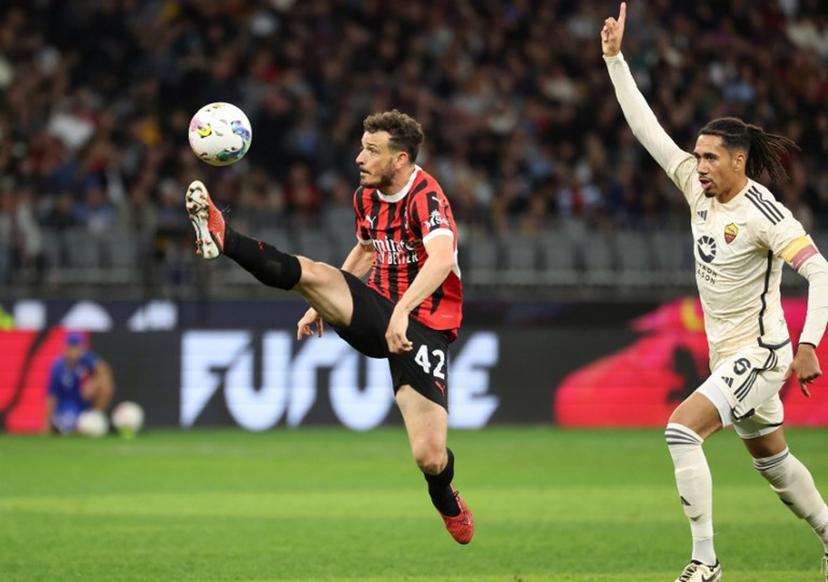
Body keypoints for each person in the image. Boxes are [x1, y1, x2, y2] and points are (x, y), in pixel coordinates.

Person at [602, 4, 828, 581]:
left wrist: (808, 345)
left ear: (737, 160)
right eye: (696, 155)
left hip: (765, 352)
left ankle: (706, 563)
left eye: (708, 157)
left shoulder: (765, 215)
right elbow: (644, 129)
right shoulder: (694, 189)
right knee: (774, 464)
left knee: (681, 430)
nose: (696, 164)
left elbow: (821, 272)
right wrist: (615, 59)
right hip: (726, 354)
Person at [185, 109, 474, 544]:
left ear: (400, 160)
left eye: (372, 151)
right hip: (378, 308)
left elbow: (442, 259)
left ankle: (444, 494)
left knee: (429, 456)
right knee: (314, 274)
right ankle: (225, 237)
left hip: (424, 325)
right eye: (361, 146)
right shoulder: (366, 196)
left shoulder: (426, 198)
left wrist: (404, 312)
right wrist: (323, 303)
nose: (360, 157)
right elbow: (366, 249)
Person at [46, 331, 114, 434]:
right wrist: (46, 423)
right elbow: (51, 396)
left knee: (105, 385)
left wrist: (93, 382)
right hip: (65, 405)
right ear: (65, 347)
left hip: (82, 404)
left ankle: (95, 418)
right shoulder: (58, 367)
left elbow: (104, 370)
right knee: (70, 425)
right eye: (71, 347)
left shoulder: (86, 359)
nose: (74, 351)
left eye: (76, 347)